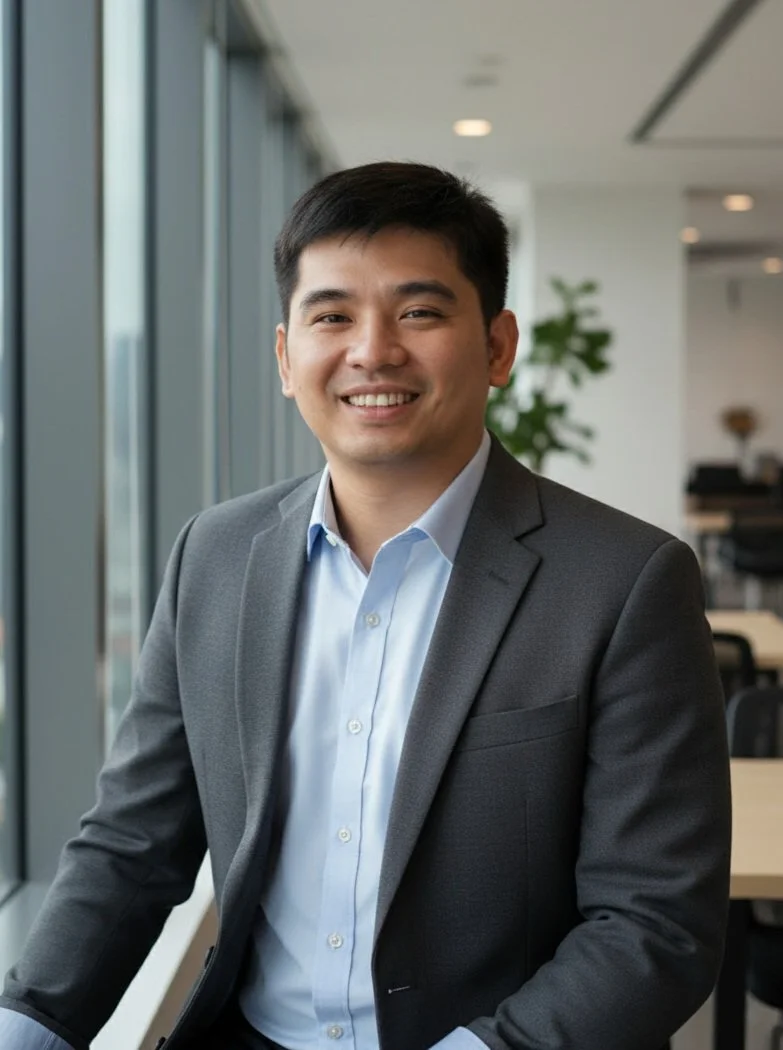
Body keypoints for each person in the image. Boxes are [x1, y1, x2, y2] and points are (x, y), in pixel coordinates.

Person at [0, 162, 730, 1050]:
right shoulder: (216, 558)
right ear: (285, 356)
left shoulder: (623, 581)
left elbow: (652, 923)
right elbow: (131, 844)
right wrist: (30, 1021)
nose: (372, 350)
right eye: (332, 316)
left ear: (497, 346)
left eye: (418, 312)